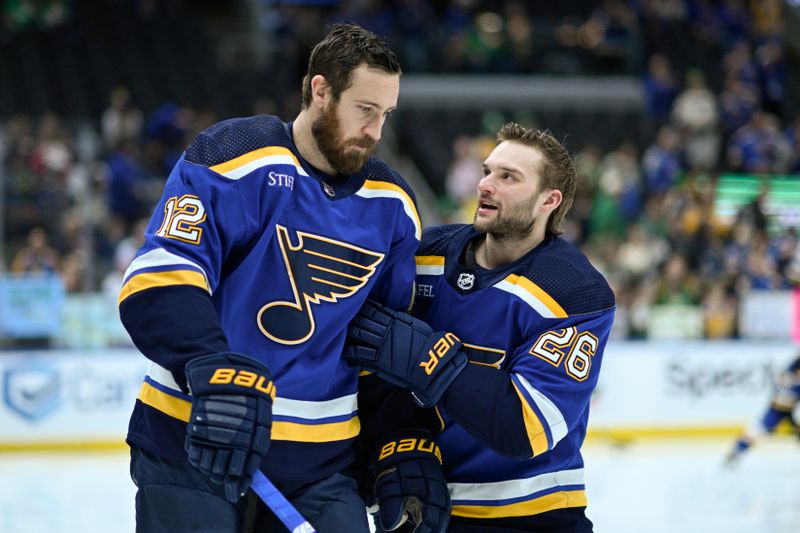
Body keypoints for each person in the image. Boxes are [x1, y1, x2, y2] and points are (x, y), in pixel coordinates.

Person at [118, 23, 448, 532]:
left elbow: (381, 352)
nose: (376, 131)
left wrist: (398, 444)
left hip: (318, 469)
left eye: (386, 114)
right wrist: (211, 364)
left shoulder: (394, 206)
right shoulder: (233, 155)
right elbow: (159, 277)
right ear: (320, 90)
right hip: (194, 441)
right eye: (365, 109)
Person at [346, 122, 616, 532]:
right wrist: (394, 445)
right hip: (422, 503)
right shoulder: (423, 254)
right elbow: (367, 361)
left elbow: (524, 427)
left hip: (534, 516)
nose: (485, 185)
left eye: (508, 177)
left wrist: (426, 359)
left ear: (549, 199)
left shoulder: (573, 292)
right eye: (487, 170)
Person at [725, 354, 800, 467]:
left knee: (757, 431)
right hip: (778, 411)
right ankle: (737, 451)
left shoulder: (785, 374)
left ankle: (737, 450)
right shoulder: (793, 378)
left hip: (778, 409)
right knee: (757, 431)